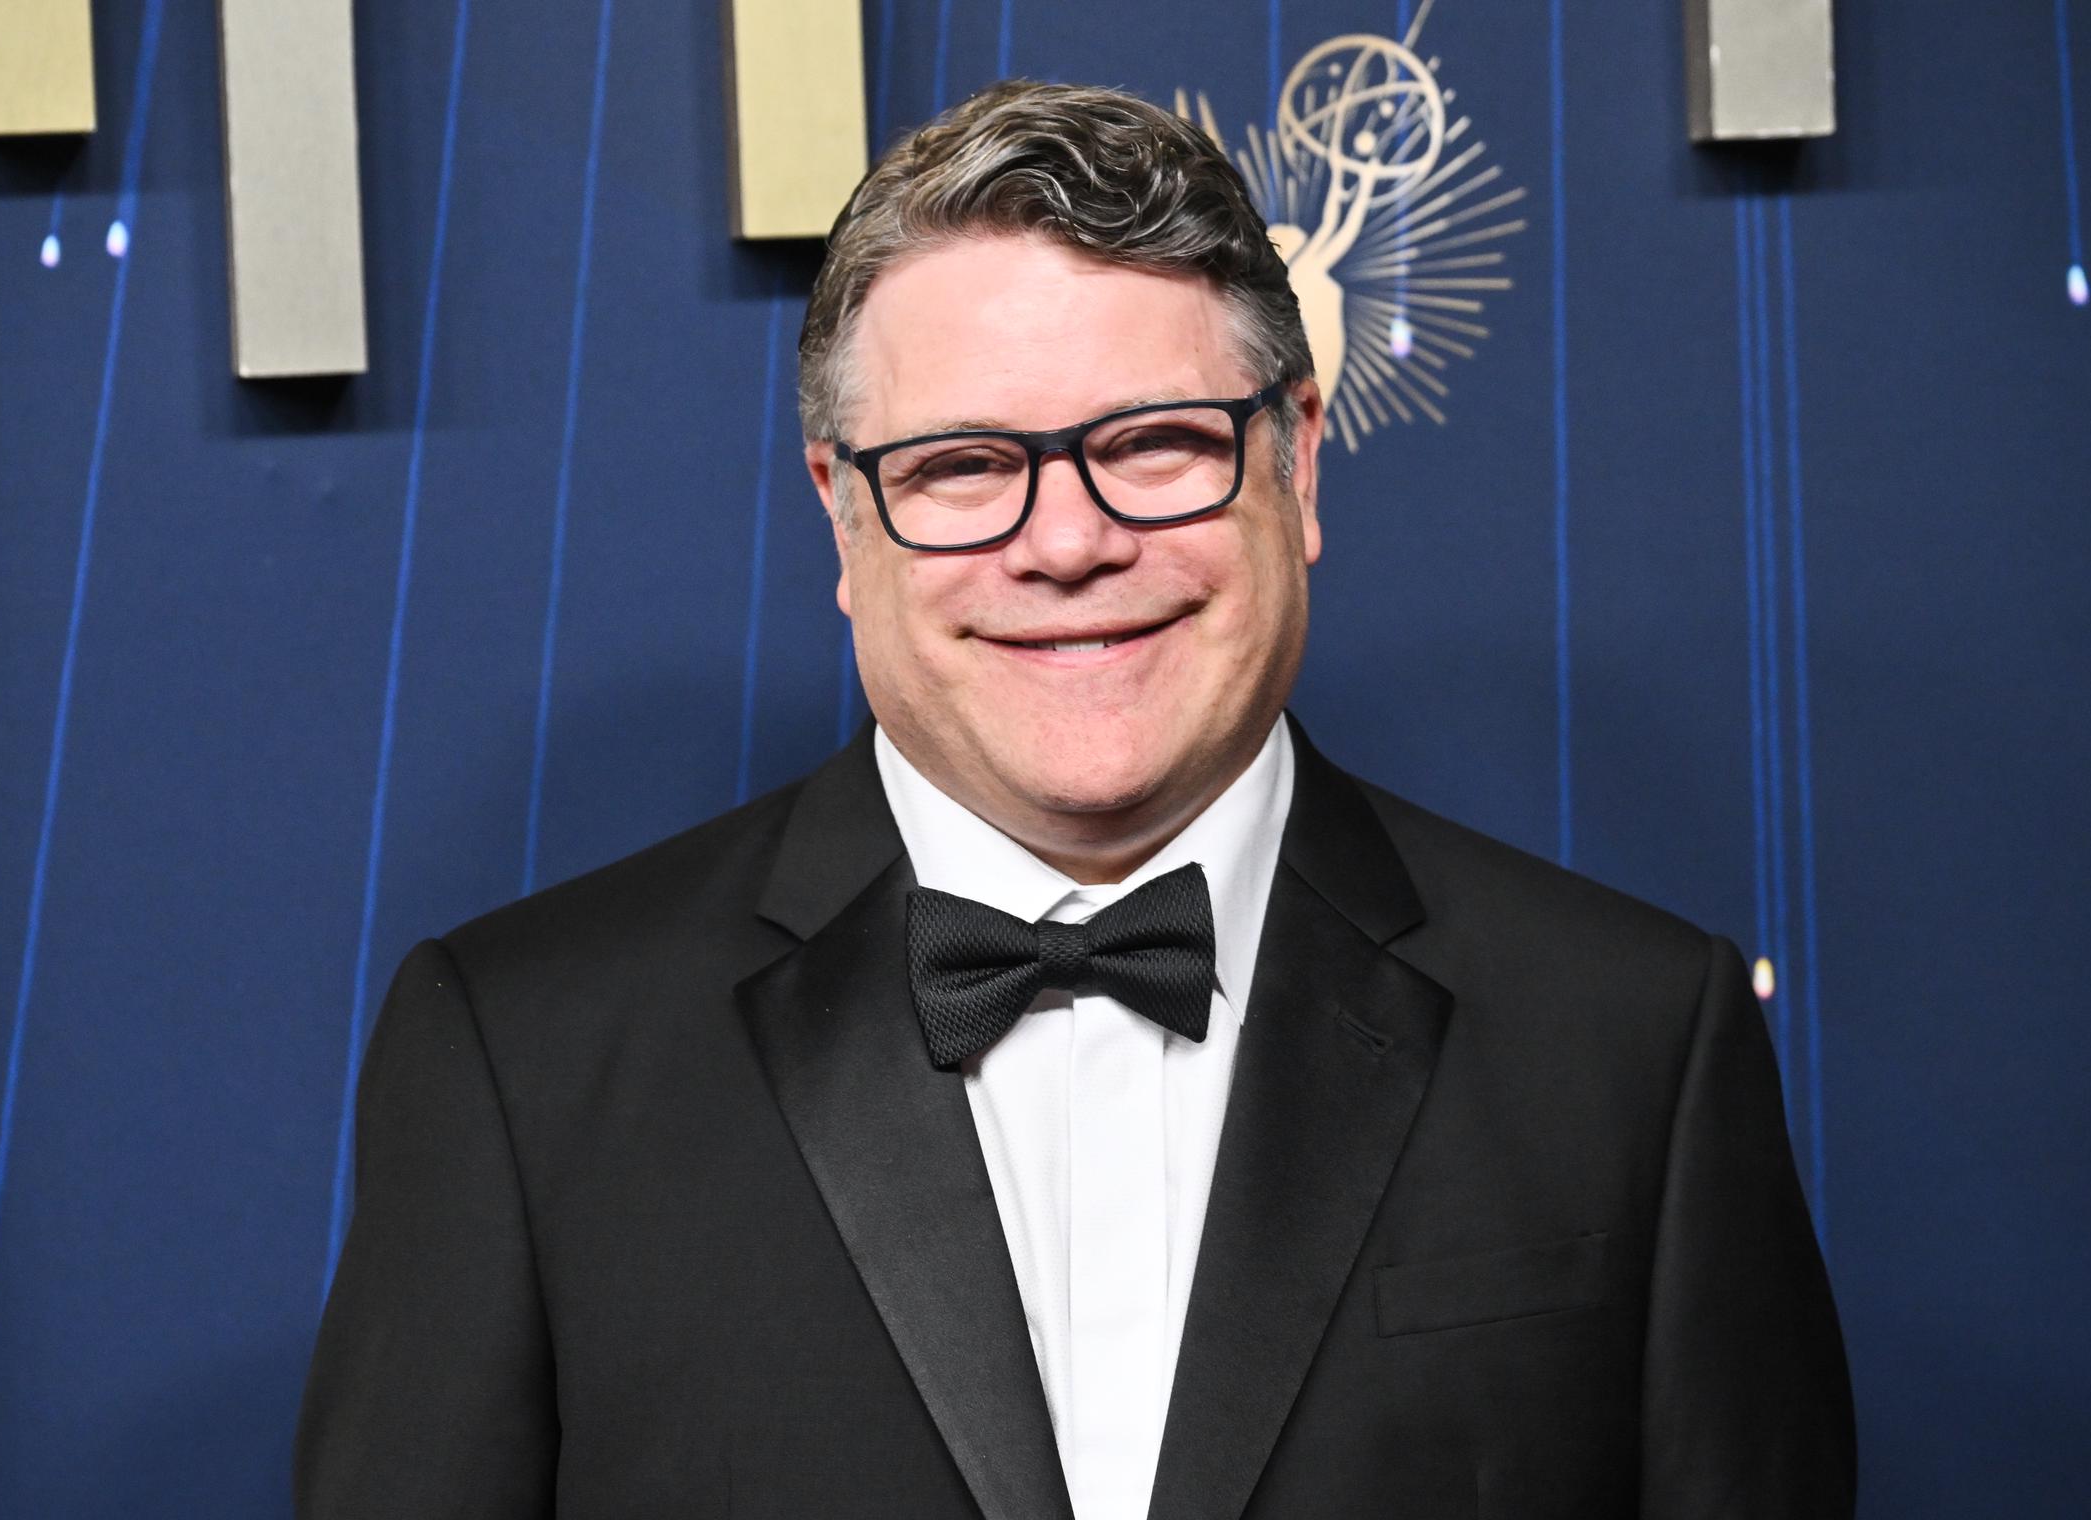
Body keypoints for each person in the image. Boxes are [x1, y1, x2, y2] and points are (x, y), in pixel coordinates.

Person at [295, 80, 1853, 1519]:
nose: (1066, 544)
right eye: (967, 465)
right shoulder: (521, 1056)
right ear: (844, 517)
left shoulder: (1633, 1038)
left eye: (1155, 445)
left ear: (1298, 470)